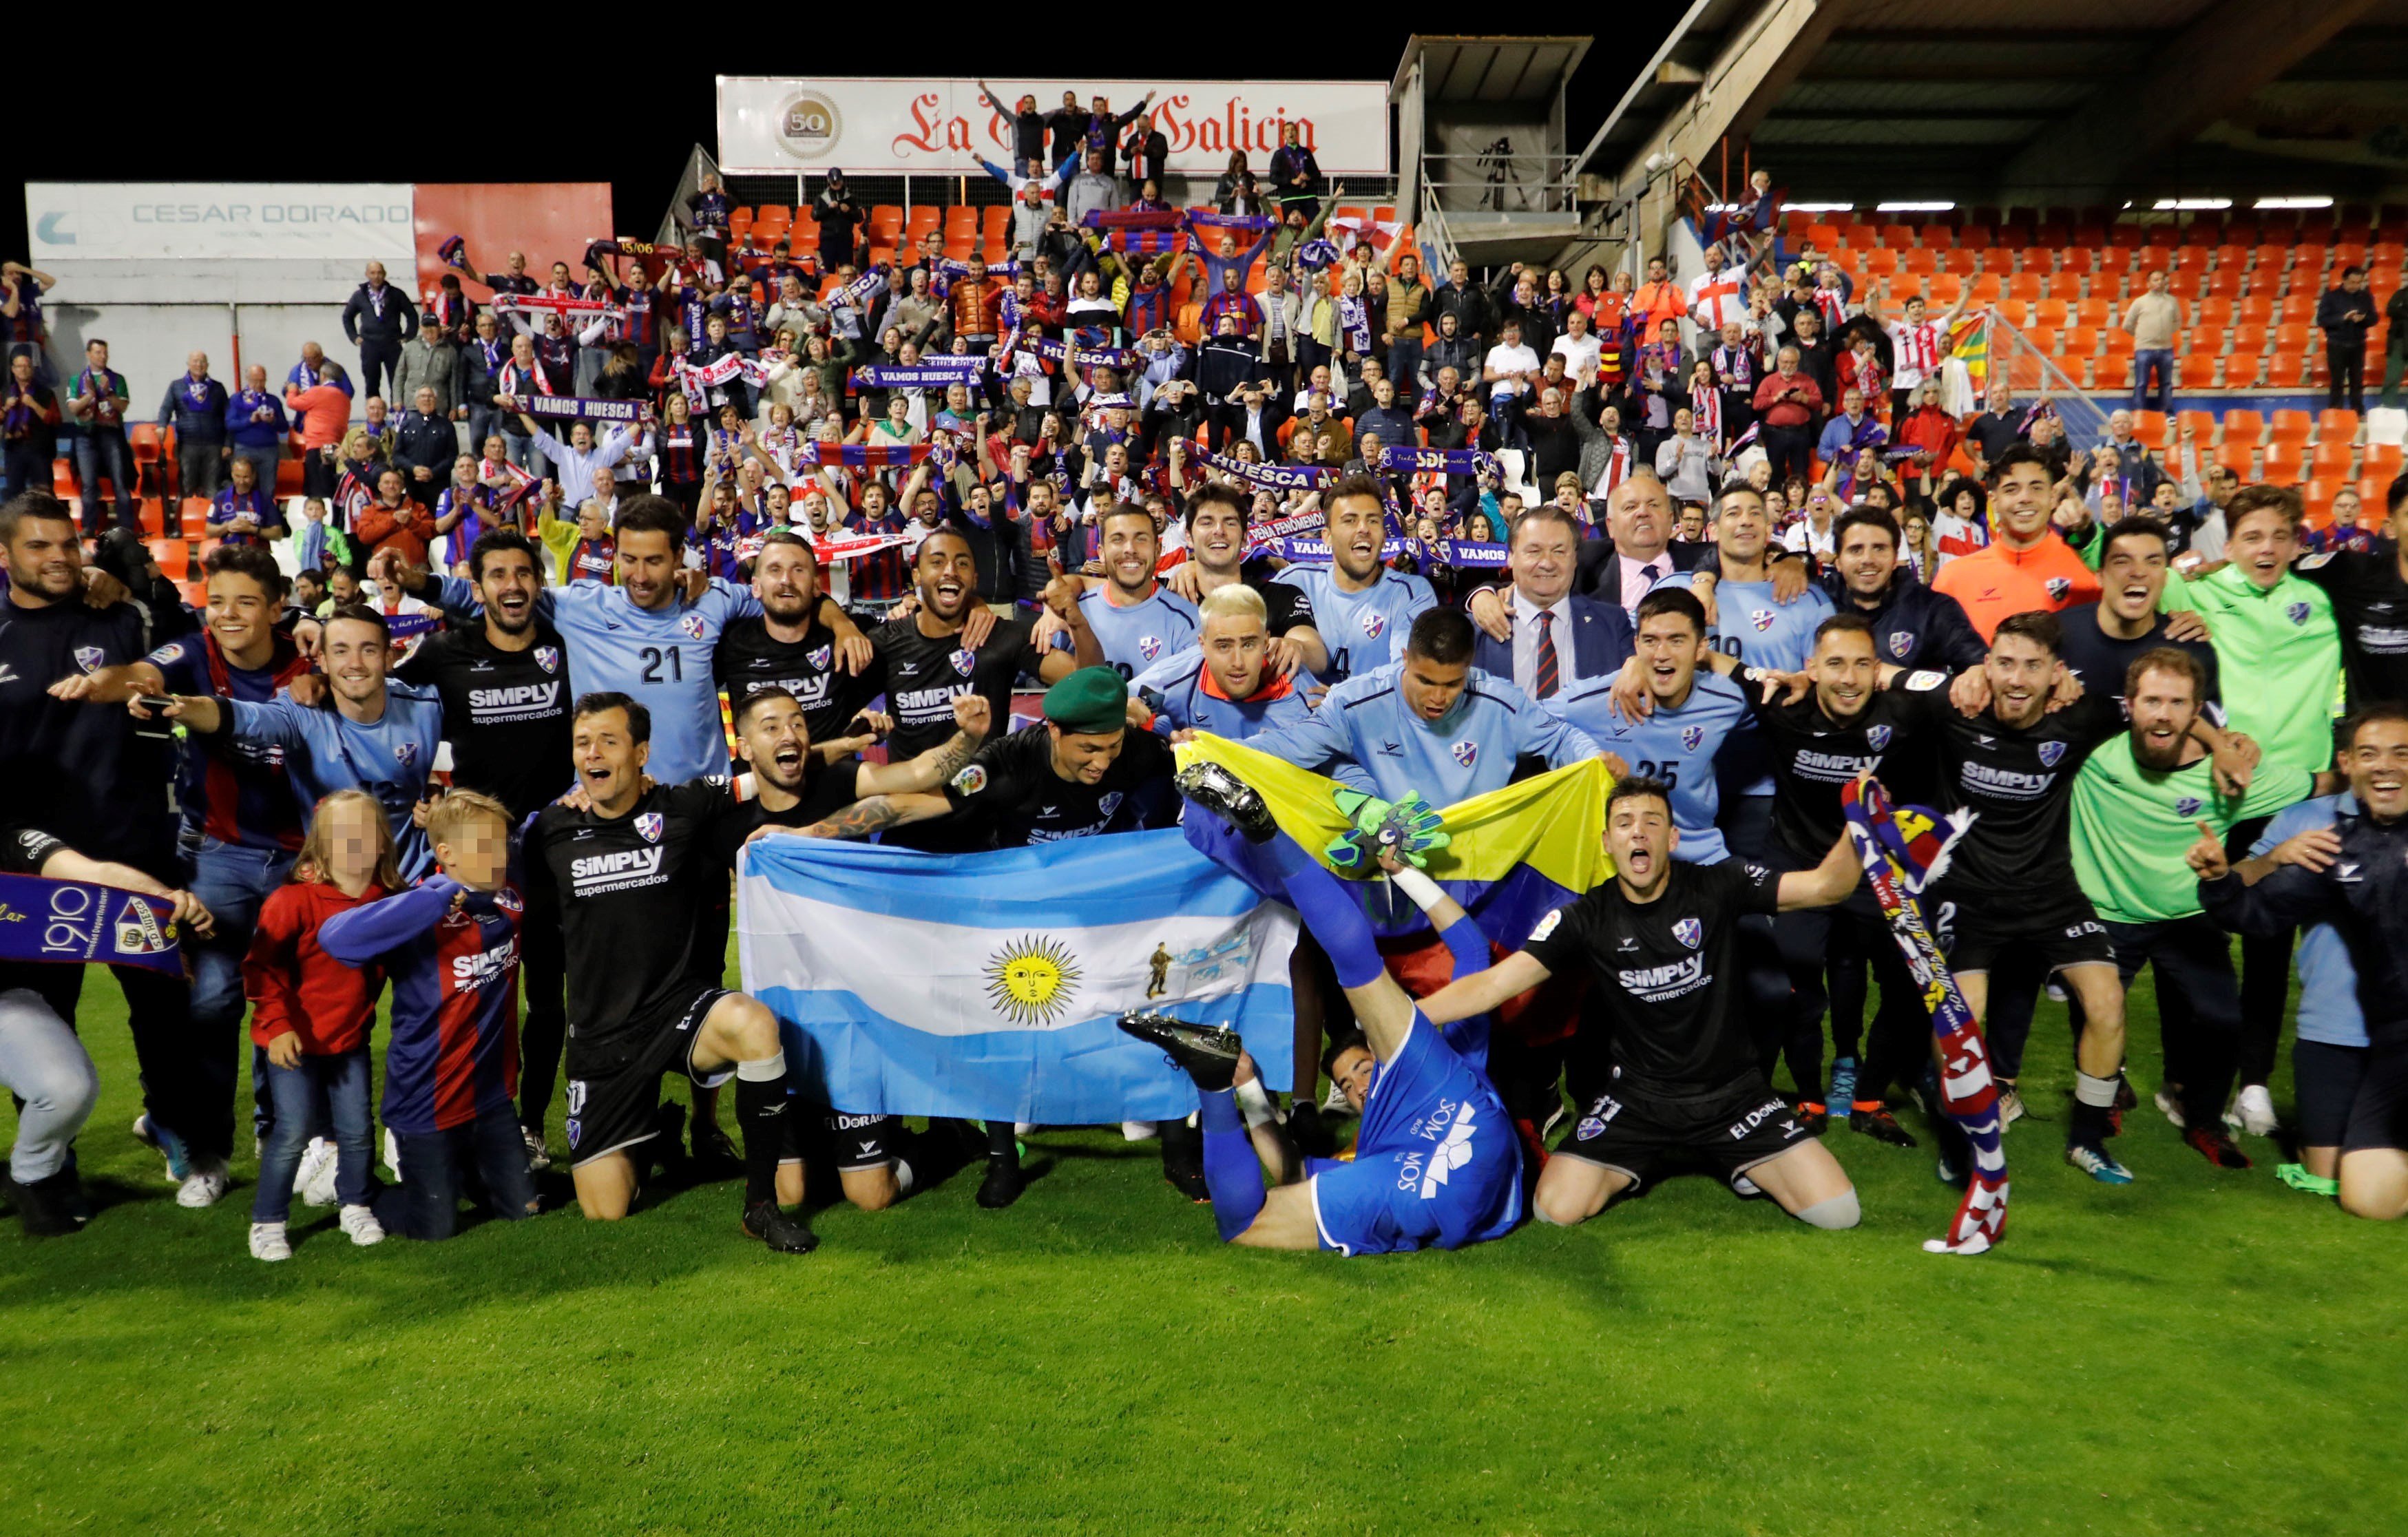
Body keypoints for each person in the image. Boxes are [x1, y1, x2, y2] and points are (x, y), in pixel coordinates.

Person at [1420, 773, 1867, 1231]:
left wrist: (1859, 821)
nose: (1638, 831)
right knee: (1555, 1209)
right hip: (1637, 1100)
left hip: (1733, 1096)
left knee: (1837, 1213)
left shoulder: (1720, 884)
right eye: (1624, 822)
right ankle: (1644, 1156)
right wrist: (1412, 1020)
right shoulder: (1583, 918)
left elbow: (1826, 887)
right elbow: (1493, 985)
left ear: (1671, 838)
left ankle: (1736, 1158)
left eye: (1652, 822)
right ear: (1606, 843)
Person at [1124, 760, 1522, 1255]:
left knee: (1357, 969)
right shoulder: (1370, 1146)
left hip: (1455, 1126)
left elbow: (1471, 950)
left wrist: (1403, 873)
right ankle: (1211, 1081)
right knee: (1244, 1225)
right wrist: (1244, 1086)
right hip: (1414, 1178)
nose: (1358, 1087)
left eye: (1360, 1069)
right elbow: (1288, 1169)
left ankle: (1267, 834)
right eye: (1348, 1085)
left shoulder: (1453, 1055)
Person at [523, 692, 815, 1251]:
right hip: (601, 1039)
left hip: (677, 1010)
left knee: (753, 1025)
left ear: (640, 753)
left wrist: (826, 745)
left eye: (609, 741)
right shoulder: (554, 827)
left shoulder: (682, 805)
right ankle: (652, 1128)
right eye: (583, 743)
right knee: (606, 1210)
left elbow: (776, 774)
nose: (593, 753)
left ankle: (760, 1208)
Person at [54, 543, 311, 1173]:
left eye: (244, 603)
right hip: (219, 856)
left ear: (277, 609)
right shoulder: (194, 651)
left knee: (288, 998)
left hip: (300, 860)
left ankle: (276, 1133)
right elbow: (143, 674)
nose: (225, 615)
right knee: (213, 998)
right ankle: (207, 1151)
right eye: (216, 600)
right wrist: (104, 685)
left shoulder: (308, 661)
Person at [5, 492, 224, 1205]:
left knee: (162, 1011)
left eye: (66, 544)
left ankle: (172, 1125)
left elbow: (196, 643)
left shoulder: (120, 614)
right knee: (45, 1017)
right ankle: (51, 1161)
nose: (58, 558)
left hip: (136, 846)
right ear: (6, 555)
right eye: (38, 547)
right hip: (32, 870)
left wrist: (138, 582)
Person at [724, 686, 992, 1211]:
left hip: (855, 1019)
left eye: (798, 723)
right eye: (773, 726)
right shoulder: (722, 810)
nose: (790, 735)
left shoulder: (840, 781)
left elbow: (917, 776)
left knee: (870, 1196)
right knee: (794, 1192)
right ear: (746, 746)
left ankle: (947, 1139)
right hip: (784, 1024)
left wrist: (971, 737)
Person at [2069, 647, 2327, 1167]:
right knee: (2096, 1008)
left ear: (2195, 712)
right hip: (2108, 915)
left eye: (2176, 703)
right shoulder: (2094, 755)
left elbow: (2319, 783)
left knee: (2219, 1018)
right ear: (2129, 704)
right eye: (2152, 701)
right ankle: (2109, 1089)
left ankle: (2202, 1116)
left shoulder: (2226, 779)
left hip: (2188, 917)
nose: (2162, 713)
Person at [389, 530, 573, 1166]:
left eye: (524, 574)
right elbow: (386, 707)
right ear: (479, 586)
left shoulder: (566, 647)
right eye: (499, 575)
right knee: (470, 989)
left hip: (552, 850)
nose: (513, 586)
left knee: (547, 998)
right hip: (474, 857)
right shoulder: (443, 651)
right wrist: (423, 799)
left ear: (537, 582)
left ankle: (529, 1125)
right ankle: (457, 1116)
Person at [2168, 484, 2344, 1140]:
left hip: (2299, 794)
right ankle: (2187, 1078)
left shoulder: (2321, 604)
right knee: (2197, 934)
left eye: (2277, 536)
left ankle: (2253, 1084)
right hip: (2225, 791)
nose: (2265, 549)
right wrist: (2188, 576)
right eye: (2250, 537)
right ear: (2229, 544)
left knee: (2269, 949)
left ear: (2297, 542)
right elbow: (2134, 588)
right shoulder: (2201, 595)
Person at [2191, 704, 2408, 1217]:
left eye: (2401, 754)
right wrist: (2263, 861)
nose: (2385, 766)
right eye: (2370, 754)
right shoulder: (2316, 828)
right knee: (2329, 1176)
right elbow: (2250, 908)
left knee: (2367, 1188)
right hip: (2331, 1029)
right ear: (2346, 762)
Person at [318, 790, 538, 1242]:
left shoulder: (510, 898)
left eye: (501, 844)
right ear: (447, 855)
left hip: (490, 1098)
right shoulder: (420, 912)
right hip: (426, 1101)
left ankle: (460, 1172)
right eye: (483, 846)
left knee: (524, 1210)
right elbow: (335, 938)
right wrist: (435, 897)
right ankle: (351, 1186)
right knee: (433, 1227)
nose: (497, 856)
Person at [0, 817, 213, 1234]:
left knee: (66, 1088)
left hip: (5, 1003)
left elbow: (93, 873)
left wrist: (163, 896)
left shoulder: (12, 841)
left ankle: (33, 1176)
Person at [151, 606, 445, 880]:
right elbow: (247, 717)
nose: (355, 664)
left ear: (389, 657)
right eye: (341, 651)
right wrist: (182, 706)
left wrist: (439, 795)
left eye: (368, 650)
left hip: (414, 879)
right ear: (323, 661)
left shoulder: (428, 704)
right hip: (335, 885)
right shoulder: (301, 712)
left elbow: (475, 754)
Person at [240, 790, 394, 1260]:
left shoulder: (385, 899)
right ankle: (267, 1221)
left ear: (383, 842)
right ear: (319, 845)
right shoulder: (292, 901)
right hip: (292, 1043)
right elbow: (261, 967)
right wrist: (279, 1024)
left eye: (365, 832)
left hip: (349, 1040)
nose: (354, 842)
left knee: (356, 1131)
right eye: (341, 834)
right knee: (291, 1133)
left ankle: (356, 1205)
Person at [1249, 607, 1606, 806]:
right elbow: (1288, 748)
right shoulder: (1354, 702)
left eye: (1452, 684)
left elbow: (1561, 739)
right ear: (1405, 659)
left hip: (1480, 867)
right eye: (1425, 681)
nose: (1438, 697)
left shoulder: (1500, 702)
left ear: (1470, 667)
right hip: (1390, 863)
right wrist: (1206, 748)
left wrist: (1595, 760)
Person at [711, 532, 878, 746]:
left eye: (798, 570)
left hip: (839, 775)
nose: (786, 580)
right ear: (755, 586)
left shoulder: (850, 636)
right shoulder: (730, 644)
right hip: (758, 778)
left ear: (817, 586)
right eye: (775, 569)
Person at [1271, 475, 1437, 683]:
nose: (1363, 529)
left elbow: (1406, 679)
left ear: (1384, 538)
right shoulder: (1293, 582)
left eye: (1373, 520)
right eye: (1350, 520)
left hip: (1373, 715)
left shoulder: (1412, 593)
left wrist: (1342, 702)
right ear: (1327, 537)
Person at [1931, 443, 2101, 640]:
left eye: (2036, 488)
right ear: (1994, 501)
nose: (2025, 498)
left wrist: (2089, 534)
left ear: (2053, 497)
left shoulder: (2088, 570)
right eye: (2012, 490)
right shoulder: (1954, 579)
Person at [1467, 503, 1633, 697]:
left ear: (1575, 559)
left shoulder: (1613, 624)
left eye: (1559, 551)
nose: (1547, 563)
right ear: (1511, 557)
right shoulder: (1473, 633)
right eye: (1534, 551)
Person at [1129, 584, 1314, 740]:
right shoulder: (1174, 681)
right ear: (1203, 645)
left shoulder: (1302, 692)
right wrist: (1151, 724)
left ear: (1266, 641)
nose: (1238, 662)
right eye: (1224, 646)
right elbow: (1123, 703)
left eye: (1248, 644)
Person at [67, 339, 136, 534]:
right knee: (88, 484)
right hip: (85, 435)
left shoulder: (117, 379)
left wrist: (109, 394)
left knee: (120, 483)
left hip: (111, 434)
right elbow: (73, 408)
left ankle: (126, 528)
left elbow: (123, 406)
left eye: (105, 353)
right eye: (98, 353)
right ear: (89, 354)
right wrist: (90, 395)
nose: (103, 356)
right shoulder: (77, 380)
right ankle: (89, 527)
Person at [158, 350, 229, 510]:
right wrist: (162, 426)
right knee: (186, 488)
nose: (199, 365)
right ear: (188, 364)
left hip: (214, 446)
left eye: (203, 361)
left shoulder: (217, 388)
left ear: (208, 365)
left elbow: (228, 417)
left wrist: (228, 443)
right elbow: (165, 409)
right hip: (188, 445)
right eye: (196, 361)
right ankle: (181, 526)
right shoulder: (177, 386)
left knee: (213, 489)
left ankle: (211, 526)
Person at [342, 260, 420, 401]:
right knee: (371, 383)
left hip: (392, 344)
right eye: (373, 273)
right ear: (367, 274)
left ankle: (398, 414)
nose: (376, 276)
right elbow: (347, 317)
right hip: (370, 345)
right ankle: (374, 417)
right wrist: (354, 337)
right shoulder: (359, 296)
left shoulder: (396, 294)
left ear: (384, 274)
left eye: (379, 273)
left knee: (397, 382)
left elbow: (412, 315)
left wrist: (408, 336)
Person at [2316, 264, 2378, 415]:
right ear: (2344, 280)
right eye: (2352, 282)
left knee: (2357, 382)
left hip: (2358, 344)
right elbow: (2322, 320)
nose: (2355, 286)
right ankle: (2335, 412)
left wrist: (2363, 319)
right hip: (2337, 344)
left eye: (2358, 283)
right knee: (2337, 381)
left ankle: (2358, 412)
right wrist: (2343, 318)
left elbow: (2374, 318)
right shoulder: (2330, 297)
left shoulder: (2366, 297)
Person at [2122, 269, 2183, 415]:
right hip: (2144, 349)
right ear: (2148, 283)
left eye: (2161, 279)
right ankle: (2138, 414)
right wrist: (2142, 336)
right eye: (2155, 280)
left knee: (2166, 384)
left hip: (2166, 348)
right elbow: (2127, 325)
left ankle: (2168, 414)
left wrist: (2166, 332)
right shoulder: (2140, 302)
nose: (2159, 282)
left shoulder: (2172, 301)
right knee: (2142, 383)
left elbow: (2178, 322)